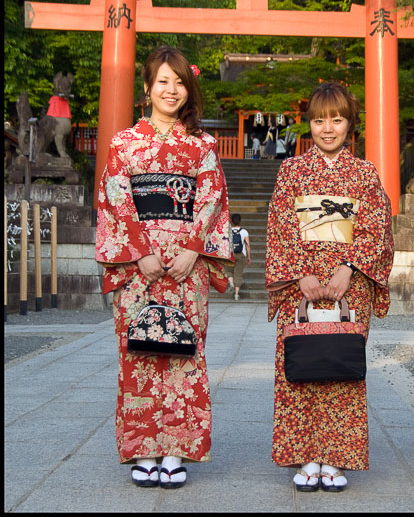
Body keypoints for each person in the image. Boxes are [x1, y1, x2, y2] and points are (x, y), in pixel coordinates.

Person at [95, 45, 233, 489]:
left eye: (178, 82)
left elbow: (212, 199)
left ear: (188, 89)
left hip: (187, 267)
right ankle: (144, 447)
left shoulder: (203, 145)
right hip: (139, 268)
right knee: (138, 352)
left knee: (184, 354)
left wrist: (194, 249)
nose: (170, 90)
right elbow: (115, 199)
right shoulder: (124, 144)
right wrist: (140, 251)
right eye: (163, 82)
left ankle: (176, 449)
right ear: (148, 88)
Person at [265, 82, 395, 493]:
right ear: (309, 124)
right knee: (301, 365)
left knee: (340, 365)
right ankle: (306, 455)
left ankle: (336, 457)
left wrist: (349, 267)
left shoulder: (364, 173)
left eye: (336, 119)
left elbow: (377, 225)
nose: (327, 128)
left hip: (348, 286)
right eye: (320, 120)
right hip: (299, 285)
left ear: (349, 123)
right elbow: (280, 226)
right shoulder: (292, 171)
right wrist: (300, 273)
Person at [225, 213, 252, 301]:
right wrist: (249, 257)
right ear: (240, 221)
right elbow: (248, 245)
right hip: (241, 254)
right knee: (238, 274)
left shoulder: (228, 231)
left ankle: (231, 283)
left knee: (228, 270)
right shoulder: (244, 231)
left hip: (230, 254)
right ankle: (236, 294)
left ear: (231, 221)